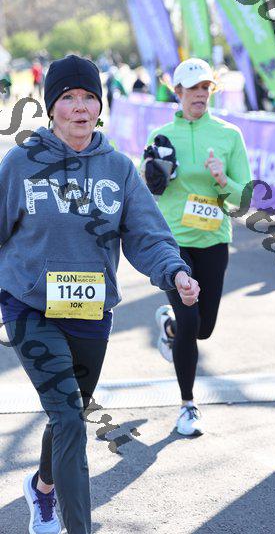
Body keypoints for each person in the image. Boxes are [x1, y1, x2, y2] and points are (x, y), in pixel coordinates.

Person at [0, 54, 200, 534]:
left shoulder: (118, 168)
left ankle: (42, 488)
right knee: (70, 417)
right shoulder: (21, 163)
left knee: (66, 414)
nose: (80, 107)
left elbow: (147, 235)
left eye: (89, 97)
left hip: (90, 311)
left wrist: (174, 272)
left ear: (100, 105)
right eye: (68, 97)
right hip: (29, 307)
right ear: (51, 106)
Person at [142, 58, 251, 437]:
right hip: (172, 242)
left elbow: (244, 198)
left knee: (203, 328)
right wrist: (156, 174)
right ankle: (188, 405)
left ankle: (170, 325)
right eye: (193, 88)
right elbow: (147, 188)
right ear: (178, 93)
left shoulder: (228, 135)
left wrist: (222, 180)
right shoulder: (161, 135)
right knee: (191, 322)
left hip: (213, 239)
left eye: (206, 87)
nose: (200, 94)